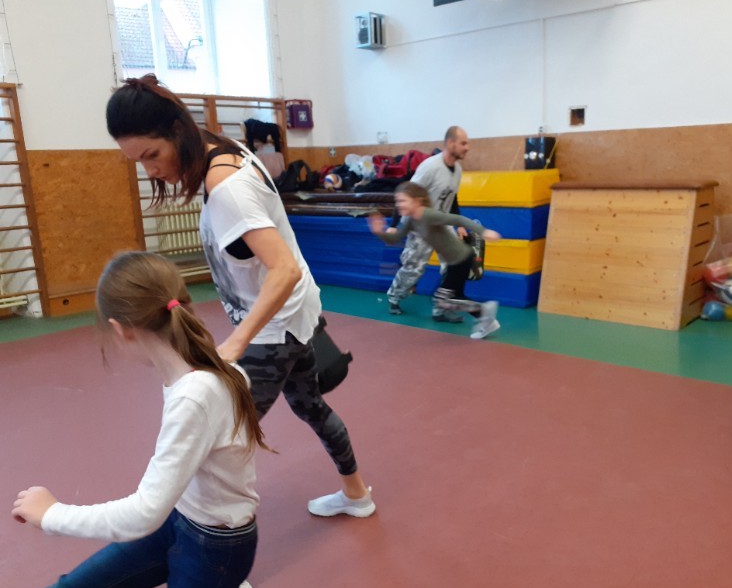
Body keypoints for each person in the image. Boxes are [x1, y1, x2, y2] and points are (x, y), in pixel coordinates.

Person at [105, 75, 375, 518]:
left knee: (218, 439)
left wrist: (236, 342)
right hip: (293, 317)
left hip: (274, 330)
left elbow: (284, 268)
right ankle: (357, 495)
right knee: (311, 408)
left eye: (152, 155)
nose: (150, 171)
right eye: (138, 162)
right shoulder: (218, 147)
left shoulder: (227, 187)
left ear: (177, 130)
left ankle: (215, 548)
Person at [12, 251, 264, 588]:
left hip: (214, 547)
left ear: (121, 330)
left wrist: (52, 515)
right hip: (179, 519)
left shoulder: (195, 394)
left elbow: (143, 514)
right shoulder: (193, 371)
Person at [369, 181, 502, 339]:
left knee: (442, 300)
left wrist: (483, 231)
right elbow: (395, 238)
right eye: (397, 201)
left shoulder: (428, 215)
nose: (399, 204)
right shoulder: (411, 220)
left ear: (417, 201)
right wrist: (379, 232)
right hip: (454, 261)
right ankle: (487, 321)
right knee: (454, 297)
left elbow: (458, 219)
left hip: (460, 259)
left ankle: (484, 311)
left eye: (403, 200)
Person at [385, 126, 470, 322]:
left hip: (442, 224)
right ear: (450, 143)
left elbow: (452, 197)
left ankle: (441, 308)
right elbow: (406, 194)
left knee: (452, 266)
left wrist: (459, 224)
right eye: (463, 143)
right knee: (414, 269)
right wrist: (394, 224)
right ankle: (395, 297)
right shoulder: (430, 167)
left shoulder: (457, 170)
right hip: (421, 225)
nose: (467, 147)